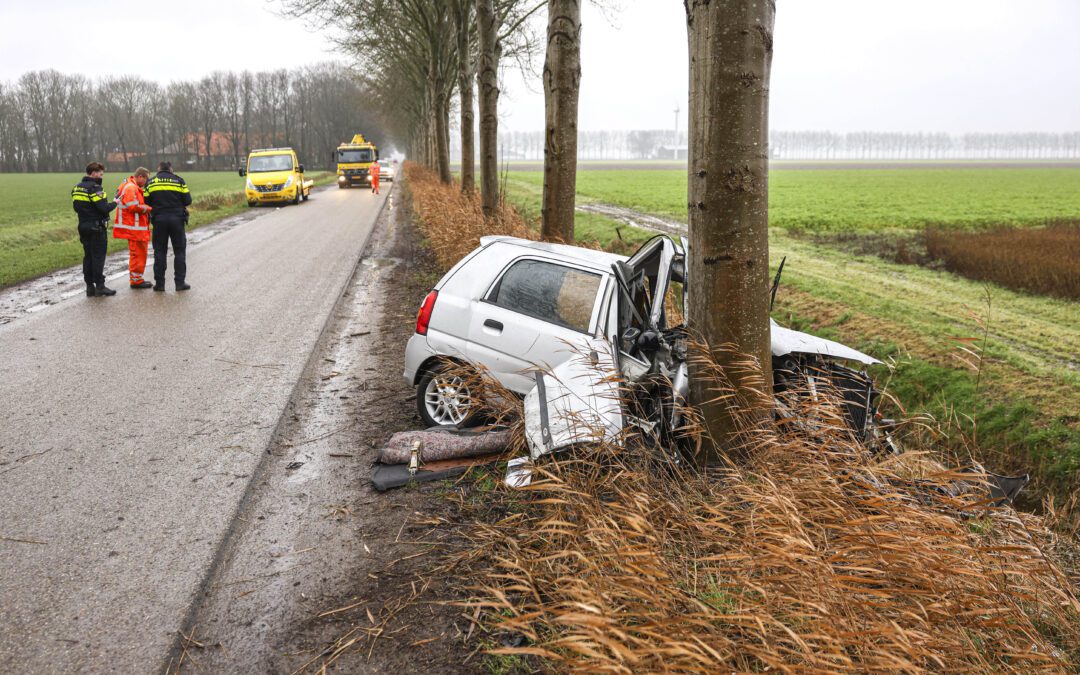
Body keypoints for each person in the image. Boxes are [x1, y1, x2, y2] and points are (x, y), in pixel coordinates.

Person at [72, 162, 118, 297]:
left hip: (83, 226)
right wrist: (116, 202)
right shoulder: (96, 188)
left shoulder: (77, 188)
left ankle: (89, 287)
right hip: (96, 227)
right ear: (94, 173)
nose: (101, 177)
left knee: (88, 257)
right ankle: (100, 286)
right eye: (101, 174)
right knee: (98, 257)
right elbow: (104, 208)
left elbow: (76, 207)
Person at [144, 161, 192, 291]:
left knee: (159, 251)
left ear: (158, 169)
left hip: (159, 220)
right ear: (171, 169)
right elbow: (188, 200)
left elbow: (145, 200)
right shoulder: (179, 181)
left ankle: (160, 284)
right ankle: (180, 283)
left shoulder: (150, 182)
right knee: (179, 251)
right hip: (177, 220)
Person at [113, 167, 153, 289]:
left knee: (139, 253)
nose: (146, 182)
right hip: (134, 228)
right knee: (137, 254)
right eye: (146, 179)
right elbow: (133, 206)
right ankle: (136, 280)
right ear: (140, 177)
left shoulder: (130, 185)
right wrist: (148, 208)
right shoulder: (131, 188)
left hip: (135, 227)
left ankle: (137, 278)